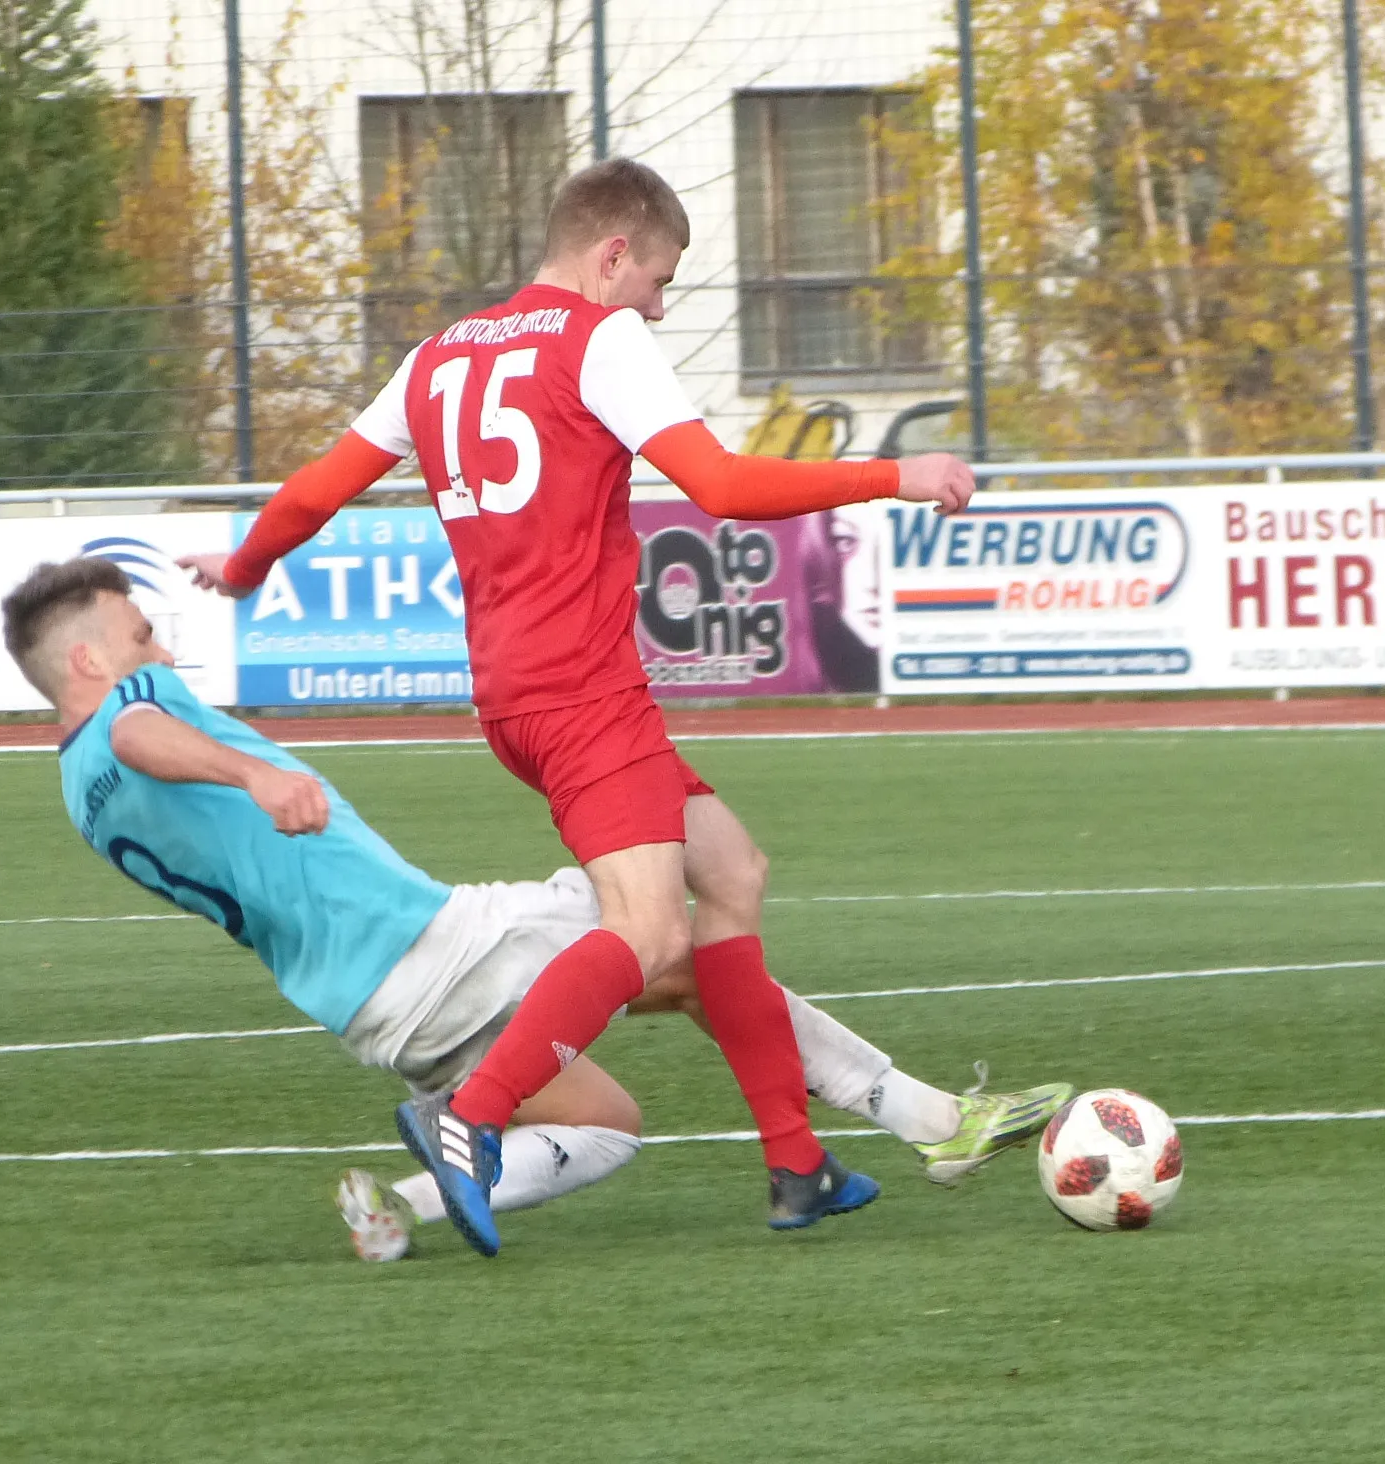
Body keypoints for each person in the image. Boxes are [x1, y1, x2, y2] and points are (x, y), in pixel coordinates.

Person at [180, 157, 1052, 1258]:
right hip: (584, 693)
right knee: (645, 931)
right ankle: (472, 1117)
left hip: (513, 699)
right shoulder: (597, 339)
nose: (659, 305)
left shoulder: (437, 355)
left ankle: (796, 1164)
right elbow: (721, 486)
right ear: (611, 254)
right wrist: (895, 476)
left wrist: (245, 567)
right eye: (658, 279)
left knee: (731, 872)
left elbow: (315, 488)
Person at [0, 558, 1071, 1259]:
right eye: (140, 634)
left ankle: (405, 1201)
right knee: (679, 934)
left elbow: (132, 752)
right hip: (439, 948)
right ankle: (933, 1121)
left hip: (372, 1013)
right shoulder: (135, 711)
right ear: (90, 659)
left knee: (606, 1127)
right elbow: (141, 729)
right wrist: (256, 775)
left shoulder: (76, 791)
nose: (159, 649)